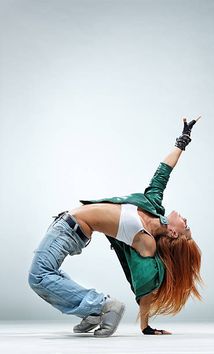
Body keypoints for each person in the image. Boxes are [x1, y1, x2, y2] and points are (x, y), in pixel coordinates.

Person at [28, 117, 202, 337]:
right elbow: (163, 172)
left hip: (70, 229)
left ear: (174, 232)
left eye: (186, 226)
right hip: (66, 224)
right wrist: (182, 141)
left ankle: (101, 306)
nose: (185, 220)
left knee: (39, 276)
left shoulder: (146, 242)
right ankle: (91, 313)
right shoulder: (152, 204)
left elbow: (145, 285)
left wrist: (145, 327)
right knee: (48, 275)